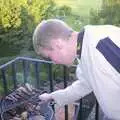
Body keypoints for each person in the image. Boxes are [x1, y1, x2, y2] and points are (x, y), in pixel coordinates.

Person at [32, 19, 120, 120]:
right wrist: (52, 97)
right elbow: (83, 86)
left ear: (58, 44)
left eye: (49, 57)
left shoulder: (102, 44)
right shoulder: (83, 52)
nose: (54, 62)